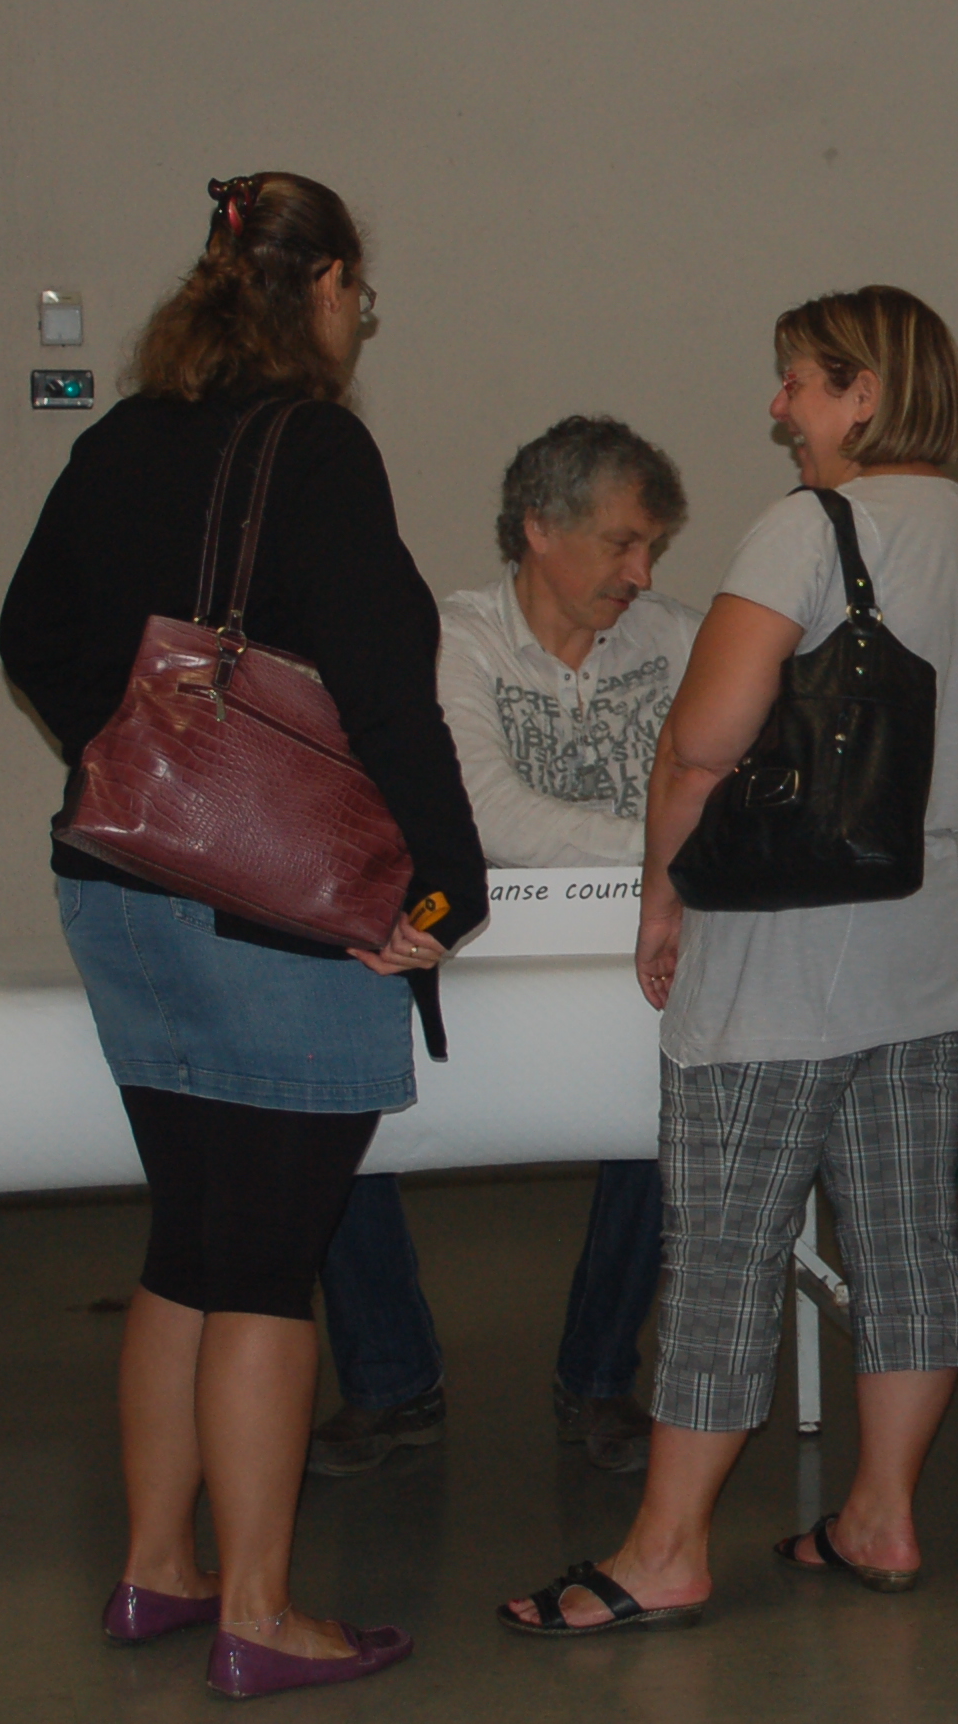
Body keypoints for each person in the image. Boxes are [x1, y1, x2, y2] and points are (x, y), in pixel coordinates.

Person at [0, 172, 486, 1698]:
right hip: (270, 910)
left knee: (190, 1243)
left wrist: (138, 749)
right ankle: (261, 1612)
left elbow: (29, 634)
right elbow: (389, 691)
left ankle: (160, 1565)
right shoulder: (314, 450)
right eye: (360, 295)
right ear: (325, 286)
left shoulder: (121, 439)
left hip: (119, 888)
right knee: (271, 1263)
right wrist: (445, 887)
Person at [499, 285, 958, 1636]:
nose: (778, 407)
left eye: (798, 380)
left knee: (725, 1244)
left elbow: (706, 738)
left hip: (781, 956)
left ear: (864, 394)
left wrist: (661, 890)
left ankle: (665, 1550)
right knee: (906, 1234)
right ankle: (881, 1513)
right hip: (932, 949)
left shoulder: (807, 528)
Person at [308, 417, 703, 1479]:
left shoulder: (680, 639)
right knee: (330, 1104)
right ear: (537, 528)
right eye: (621, 543)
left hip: (631, 973)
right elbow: (489, 815)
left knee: (679, 1104)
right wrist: (667, 845)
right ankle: (390, 1382)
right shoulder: (451, 641)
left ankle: (600, 1377)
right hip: (464, 967)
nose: (642, 572)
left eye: (651, 547)